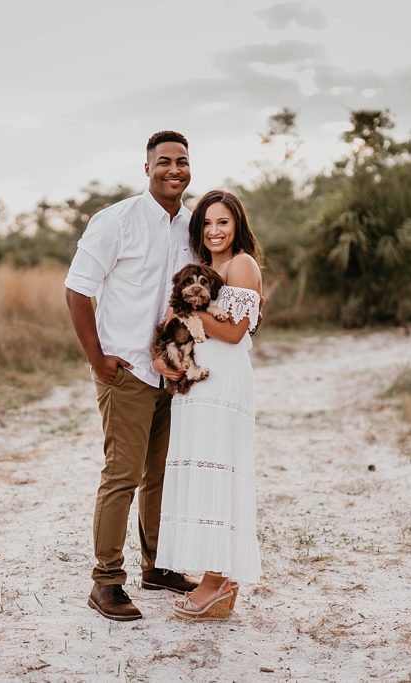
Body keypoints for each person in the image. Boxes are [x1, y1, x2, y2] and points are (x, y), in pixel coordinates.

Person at [64, 131, 201, 622]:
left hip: (172, 372)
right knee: (122, 476)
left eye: (182, 161)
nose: (174, 169)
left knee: (161, 475)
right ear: (147, 169)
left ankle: (157, 566)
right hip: (125, 370)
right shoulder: (115, 221)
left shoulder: (193, 227)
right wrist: (97, 358)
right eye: (164, 161)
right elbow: (78, 291)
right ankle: (105, 582)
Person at [155, 189, 263, 620]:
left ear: (237, 224)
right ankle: (212, 576)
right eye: (207, 223)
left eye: (223, 222)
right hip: (196, 384)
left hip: (224, 383)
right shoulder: (204, 269)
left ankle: (219, 578)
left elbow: (236, 332)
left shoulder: (241, 264)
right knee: (199, 468)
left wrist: (190, 318)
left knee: (219, 472)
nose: (214, 231)